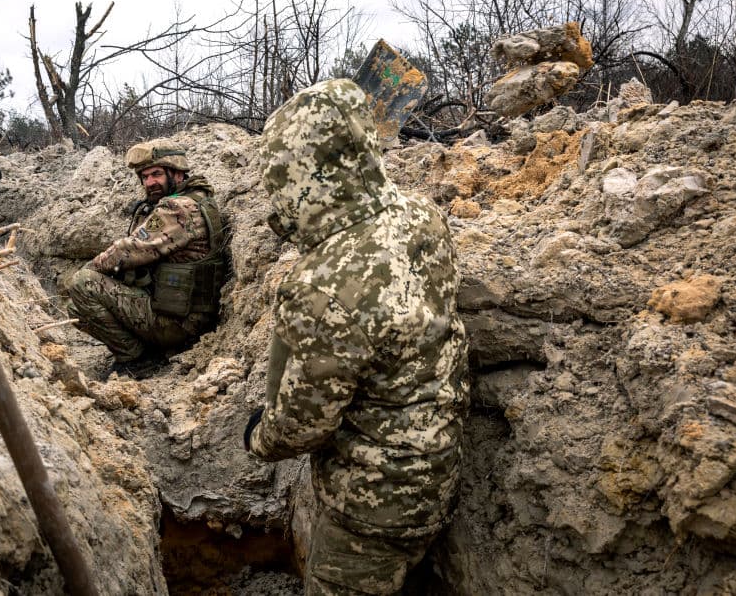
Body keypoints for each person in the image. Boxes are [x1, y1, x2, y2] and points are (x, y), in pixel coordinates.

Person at [242, 43, 469, 595]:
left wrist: (259, 438)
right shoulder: (423, 216)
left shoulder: (319, 285)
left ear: (299, 176)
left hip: (372, 506)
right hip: (441, 466)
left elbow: (303, 424)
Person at [66, 139, 227, 376]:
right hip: (184, 315)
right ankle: (147, 350)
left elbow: (128, 251)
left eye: (157, 174)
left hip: (177, 324)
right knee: (77, 309)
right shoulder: (197, 199)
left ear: (178, 172)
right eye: (145, 176)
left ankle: (138, 359)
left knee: (82, 283)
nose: (150, 182)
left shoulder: (178, 208)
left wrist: (93, 268)